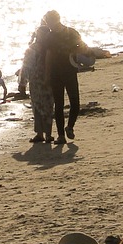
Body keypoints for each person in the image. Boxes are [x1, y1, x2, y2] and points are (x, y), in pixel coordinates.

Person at [43, 10, 85, 144]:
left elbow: (82, 46)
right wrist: (47, 74)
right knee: (59, 104)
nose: (49, 25)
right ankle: (61, 135)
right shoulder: (49, 37)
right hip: (56, 73)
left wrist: (77, 53)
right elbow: (48, 56)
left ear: (55, 20)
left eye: (49, 22)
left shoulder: (71, 32)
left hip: (69, 70)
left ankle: (70, 127)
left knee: (75, 102)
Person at [21, 22, 55, 143]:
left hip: (44, 80)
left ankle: (46, 134)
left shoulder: (46, 48)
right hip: (37, 80)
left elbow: (25, 65)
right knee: (40, 106)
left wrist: (23, 80)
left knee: (46, 106)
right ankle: (42, 134)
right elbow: (26, 65)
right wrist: (23, 81)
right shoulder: (37, 48)